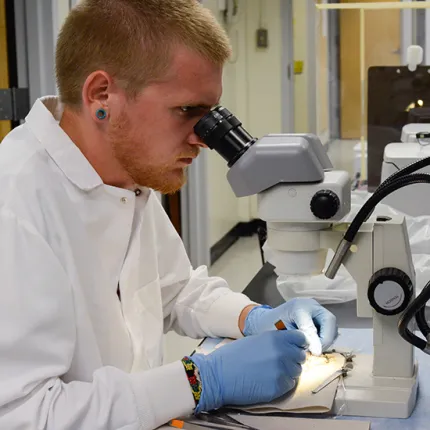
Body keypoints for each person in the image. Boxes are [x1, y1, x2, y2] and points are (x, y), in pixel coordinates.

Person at [0, 1, 338, 429]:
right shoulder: (14, 207)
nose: (202, 137)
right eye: (187, 111)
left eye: (210, 113)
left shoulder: (127, 176)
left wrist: (252, 316)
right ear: (102, 95)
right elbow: (23, 415)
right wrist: (199, 382)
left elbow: (175, 291)